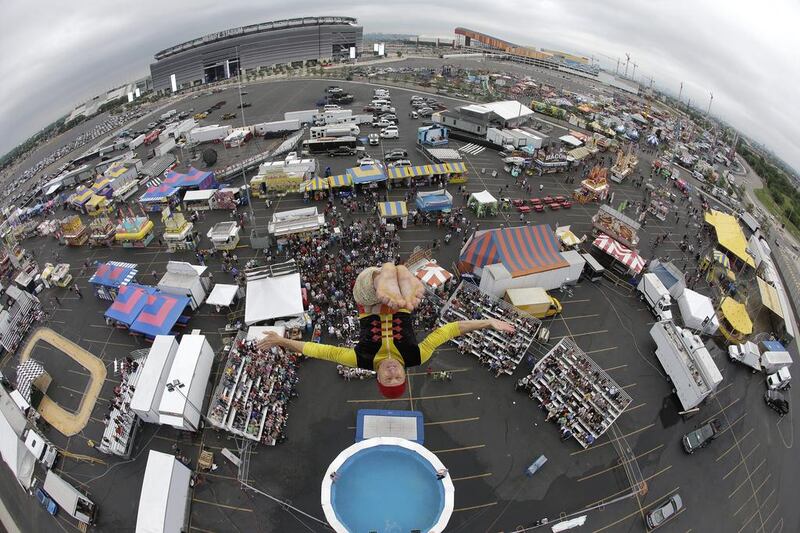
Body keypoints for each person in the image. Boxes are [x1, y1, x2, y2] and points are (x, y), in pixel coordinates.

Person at [258, 263, 515, 398]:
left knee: (370, 285)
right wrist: (487, 323)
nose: (393, 373)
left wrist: (283, 341)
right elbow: (449, 330)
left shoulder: (362, 360)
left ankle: (387, 277)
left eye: (388, 378)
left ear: (377, 377)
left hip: (368, 301)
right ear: (405, 374)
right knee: (400, 290)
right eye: (398, 377)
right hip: (399, 302)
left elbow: (319, 350)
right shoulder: (417, 357)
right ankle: (396, 278)